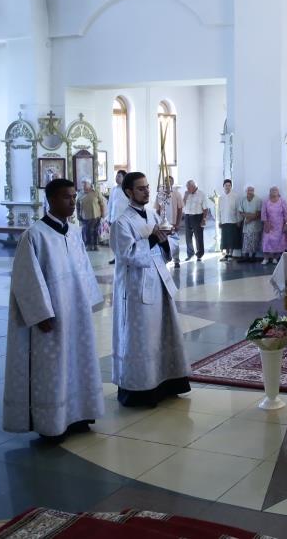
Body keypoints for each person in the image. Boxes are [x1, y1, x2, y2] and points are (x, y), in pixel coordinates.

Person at [3, 178, 103, 442]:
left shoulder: (74, 232)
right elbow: (26, 278)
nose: (72, 201)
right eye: (66, 197)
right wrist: (41, 313)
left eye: (73, 196)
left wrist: (88, 300)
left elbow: (83, 269)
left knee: (78, 361)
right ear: (51, 200)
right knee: (53, 367)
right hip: (53, 314)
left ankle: (79, 414)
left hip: (76, 312)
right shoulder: (34, 235)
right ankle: (52, 422)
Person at [110, 172, 191, 407]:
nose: (146, 191)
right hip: (136, 288)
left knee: (163, 332)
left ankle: (167, 382)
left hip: (159, 281)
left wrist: (165, 240)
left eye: (147, 187)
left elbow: (172, 241)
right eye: (141, 188)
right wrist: (153, 239)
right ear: (129, 192)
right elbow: (126, 254)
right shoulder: (121, 222)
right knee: (142, 337)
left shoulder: (154, 214)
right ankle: (141, 389)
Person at [155, 176, 184, 267]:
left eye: (169, 181)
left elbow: (180, 209)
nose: (167, 183)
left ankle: (176, 260)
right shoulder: (160, 194)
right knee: (163, 241)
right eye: (166, 181)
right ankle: (164, 259)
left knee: (175, 242)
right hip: (163, 223)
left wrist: (178, 223)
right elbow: (157, 209)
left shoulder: (177, 194)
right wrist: (158, 222)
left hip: (173, 223)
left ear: (172, 182)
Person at [182, 179, 210, 262]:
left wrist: (204, 219)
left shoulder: (201, 194)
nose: (187, 189)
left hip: (197, 217)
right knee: (188, 237)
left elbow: (205, 209)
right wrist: (185, 197)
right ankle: (190, 254)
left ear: (193, 186)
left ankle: (199, 254)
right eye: (187, 187)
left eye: (188, 187)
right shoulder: (187, 194)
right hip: (187, 216)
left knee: (198, 236)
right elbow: (183, 205)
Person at [260, 186, 287, 265]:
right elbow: (263, 212)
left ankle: (275, 258)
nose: (274, 191)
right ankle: (266, 258)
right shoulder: (266, 201)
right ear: (270, 192)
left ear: (278, 192)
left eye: (275, 190)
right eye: (272, 190)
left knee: (279, 242)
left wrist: (286, 224)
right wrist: (265, 223)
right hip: (269, 224)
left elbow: (286, 213)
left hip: (280, 225)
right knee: (266, 241)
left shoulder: (282, 201)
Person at [106, 169, 128, 264]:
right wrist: (109, 218)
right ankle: (116, 257)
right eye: (116, 176)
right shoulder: (114, 189)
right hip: (113, 219)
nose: (116, 178)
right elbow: (110, 204)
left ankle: (125, 257)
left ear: (124, 178)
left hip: (124, 219)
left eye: (119, 176)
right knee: (114, 240)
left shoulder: (127, 189)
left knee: (124, 240)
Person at [77, 180, 106, 251]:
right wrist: (78, 215)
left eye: (85, 184)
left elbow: (102, 204)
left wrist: (103, 214)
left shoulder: (96, 192)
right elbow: (77, 205)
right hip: (84, 216)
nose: (83, 185)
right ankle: (88, 245)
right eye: (83, 184)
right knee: (87, 231)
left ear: (90, 184)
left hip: (96, 215)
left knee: (95, 231)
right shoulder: (80, 193)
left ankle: (96, 245)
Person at [237, 185, 264, 263]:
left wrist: (251, 219)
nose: (250, 192)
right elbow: (240, 211)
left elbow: (259, 213)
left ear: (254, 191)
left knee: (255, 240)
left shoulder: (258, 200)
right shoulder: (243, 199)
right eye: (249, 190)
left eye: (252, 190)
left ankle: (253, 257)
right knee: (246, 241)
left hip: (255, 224)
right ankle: (246, 257)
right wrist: (248, 216)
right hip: (246, 224)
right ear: (246, 191)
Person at [218, 179, 241, 262]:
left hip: (233, 220)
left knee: (231, 238)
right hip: (224, 220)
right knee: (225, 239)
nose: (227, 187)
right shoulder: (221, 197)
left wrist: (238, 220)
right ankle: (227, 254)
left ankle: (231, 254)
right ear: (223, 186)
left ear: (231, 186)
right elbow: (219, 210)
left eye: (229, 185)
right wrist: (219, 221)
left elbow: (238, 209)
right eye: (226, 185)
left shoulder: (235, 196)